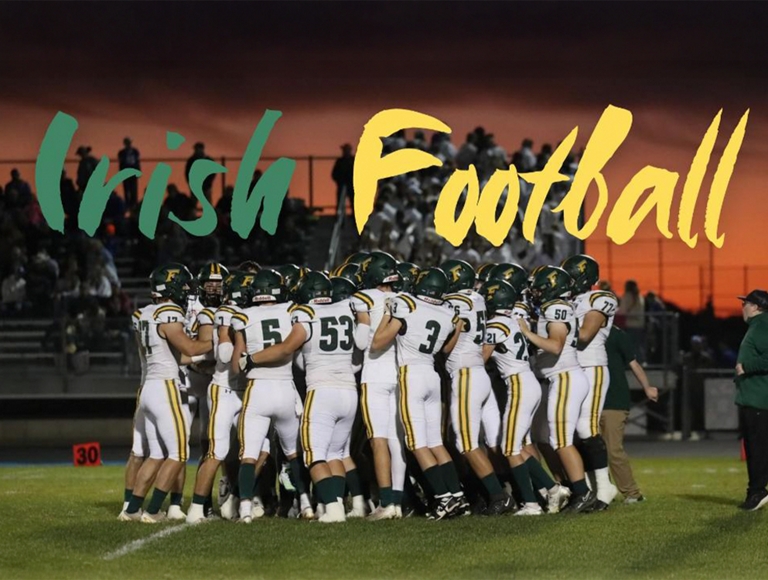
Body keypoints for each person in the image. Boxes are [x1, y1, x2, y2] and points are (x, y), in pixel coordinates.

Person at [602, 325, 658, 504]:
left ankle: (632, 493)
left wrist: (647, 387)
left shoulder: (617, 335)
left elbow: (634, 363)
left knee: (613, 450)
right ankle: (600, 491)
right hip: (590, 400)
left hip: (613, 400)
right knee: (592, 450)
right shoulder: (581, 330)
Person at [735, 289, 768, 511]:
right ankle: (755, 491)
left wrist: (746, 367)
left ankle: (757, 492)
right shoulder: (758, 326)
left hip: (758, 399)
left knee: (757, 448)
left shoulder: (762, 326)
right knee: (756, 447)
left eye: (745, 303)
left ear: (755, 307)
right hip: (755, 397)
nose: (742, 307)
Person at [618, 280, 646, 364]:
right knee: (639, 344)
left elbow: (622, 311)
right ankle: (642, 361)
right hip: (640, 323)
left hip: (630, 324)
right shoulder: (640, 296)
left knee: (630, 344)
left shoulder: (627, 296)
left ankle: (632, 362)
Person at [118, 137, 141, 210]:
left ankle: (134, 203)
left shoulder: (135, 151)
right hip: (126, 172)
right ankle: (128, 204)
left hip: (133, 172)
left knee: (134, 189)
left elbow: (137, 162)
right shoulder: (121, 153)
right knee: (127, 189)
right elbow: (121, 163)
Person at [332, 143, 355, 210]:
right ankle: (340, 215)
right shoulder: (340, 161)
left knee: (353, 203)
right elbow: (334, 174)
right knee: (341, 203)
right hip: (343, 185)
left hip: (351, 185)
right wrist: (339, 181)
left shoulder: (354, 161)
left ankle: (354, 215)